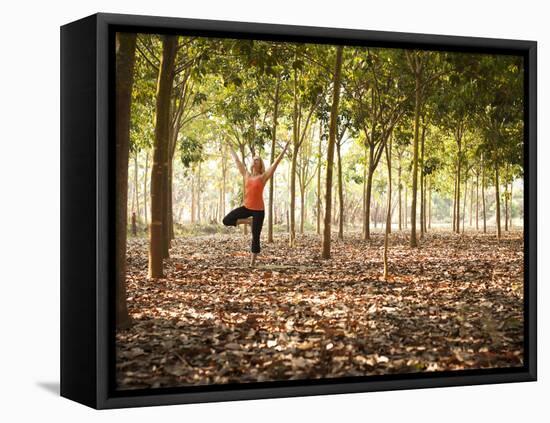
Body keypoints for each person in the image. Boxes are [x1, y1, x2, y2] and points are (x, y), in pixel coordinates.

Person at [223, 141, 290, 266]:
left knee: (256, 237)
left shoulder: (263, 177)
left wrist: (284, 150)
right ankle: (248, 221)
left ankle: (252, 263)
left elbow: (275, 165)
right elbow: (238, 162)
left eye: (257, 160)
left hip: (259, 210)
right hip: (247, 207)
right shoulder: (246, 175)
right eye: (253, 159)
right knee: (226, 220)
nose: (255, 161)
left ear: (260, 164)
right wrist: (231, 148)